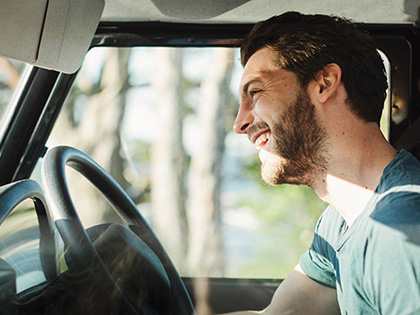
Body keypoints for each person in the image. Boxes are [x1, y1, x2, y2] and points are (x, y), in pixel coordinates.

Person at [229, 11, 420, 314]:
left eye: (256, 92)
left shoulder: (400, 231)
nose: (240, 123)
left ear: (324, 83)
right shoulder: (341, 220)